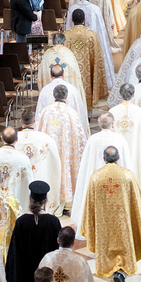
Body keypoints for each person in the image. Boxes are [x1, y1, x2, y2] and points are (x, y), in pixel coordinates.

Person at [82, 145, 141, 282]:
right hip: (124, 224)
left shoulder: (96, 177)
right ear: (118, 158)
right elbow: (137, 202)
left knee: (106, 248)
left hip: (104, 224)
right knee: (125, 247)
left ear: (103, 158)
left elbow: (90, 205)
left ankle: (113, 278)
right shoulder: (127, 175)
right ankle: (121, 274)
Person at [70, 112, 131, 233]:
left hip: (96, 182)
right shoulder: (120, 139)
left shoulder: (93, 140)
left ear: (99, 125)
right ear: (113, 124)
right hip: (118, 181)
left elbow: (86, 165)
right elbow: (127, 164)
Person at [36, 83, 88, 213]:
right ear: (66, 96)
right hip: (66, 153)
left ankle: (47, 202)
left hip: (48, 153)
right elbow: (80, 137)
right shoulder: (71, 113)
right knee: (65, 172)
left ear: (53, 95)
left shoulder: (45, 111)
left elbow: (38, 131)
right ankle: (66, 205)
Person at [5, 180, 61, 282]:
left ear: (30, 199)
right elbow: (58, 249)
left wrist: (15, 279)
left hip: (27, 274)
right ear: (45, 200)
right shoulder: (53, 222)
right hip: (47, 272)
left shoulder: (21, 222)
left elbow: (15, 251)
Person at [110, 81, 141, 204]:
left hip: (118, 153)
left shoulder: (112, 111)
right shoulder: (139, 112)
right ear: (133, 95)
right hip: (137, 151)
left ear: (119, 94)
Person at [16, 106, 62, 215]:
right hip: (39, 177)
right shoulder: (46, 139)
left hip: (20, 179)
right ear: (34, 121)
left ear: (20, 121)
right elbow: (55, 163)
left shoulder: (14, 139)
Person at [64, 6, 109, 105]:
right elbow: (98, 57)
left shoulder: (66, 35)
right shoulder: (91, 34)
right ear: (84, 19)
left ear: (72, 20)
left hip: (72, 71)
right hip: (87, 69)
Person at [37, 64, 89, 132]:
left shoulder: (44, 91)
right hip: (68, 130)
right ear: (63, 74)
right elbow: (80, 113)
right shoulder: (73, 89)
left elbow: (39, 114)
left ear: (51, 75)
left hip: (50, 130)